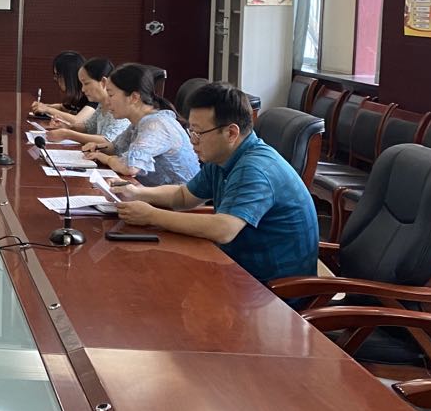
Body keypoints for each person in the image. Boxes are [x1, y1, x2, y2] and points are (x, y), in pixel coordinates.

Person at [115, 82, 319, 285]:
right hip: (236, 268)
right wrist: (138, 193)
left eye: (198, 133)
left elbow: (223, 229)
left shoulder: (254, 168)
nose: (192, 141)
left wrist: (151, 215)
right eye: (191, 131)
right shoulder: (223, 156)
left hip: (272, 289)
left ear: (231, 133)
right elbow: (184, 196)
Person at [82, 63, 199, 186]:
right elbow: (116, 147)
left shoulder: (156, 124)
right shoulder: (140, 121)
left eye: (111, 95)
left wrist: (105, 158)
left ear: (134, 97)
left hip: (179, 196)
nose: (107, 101)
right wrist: (98, 147)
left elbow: (129, 167)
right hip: (151, 193)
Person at [45, 57, 127, 146]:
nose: (83, 89)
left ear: (103, 82)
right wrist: (67, 126)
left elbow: (108, 141)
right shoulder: (101, 104)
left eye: (86, 83)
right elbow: (88, 127)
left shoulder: (119, 106)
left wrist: (68, 134)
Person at [31, 51, 87, 119]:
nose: (55, 79)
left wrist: (48, 109)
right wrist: (44, 106)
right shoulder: (76, 95)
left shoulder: (89, 95)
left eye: (58, 75)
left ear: (70, 76)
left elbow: (78, 120)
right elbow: (63, 107)